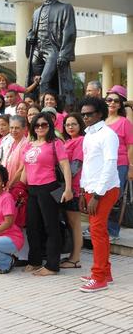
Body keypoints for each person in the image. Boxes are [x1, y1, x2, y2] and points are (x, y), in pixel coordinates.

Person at [21, 112, 73, 276]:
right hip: (33, 189)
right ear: (33, 127)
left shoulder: (55, 143)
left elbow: (65, 166)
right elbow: (24, 170)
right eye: (37, 125)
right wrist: (12, 185)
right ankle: (35, 260)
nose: (41, 127)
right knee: (32, 227)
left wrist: (68, 189)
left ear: (50, 127)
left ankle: (52, 265)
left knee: (51, 227)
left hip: (49, 188)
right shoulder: (29, 145)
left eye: (44, 125)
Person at [78, 96, 120, 292]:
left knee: (97, 232)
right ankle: (106, 272)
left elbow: (111, 165)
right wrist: (82, 191)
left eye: (89, 114)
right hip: (91, 189)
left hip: (105, 190)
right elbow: (88, 166)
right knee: (99, 232)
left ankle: (99, 277)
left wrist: (97, 195)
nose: (85, 117)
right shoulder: (89, 135)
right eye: (83, 114)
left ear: (100, 114)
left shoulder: (108, 135)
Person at [26, 0, 76, 108]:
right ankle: (37, 105)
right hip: (38, 49)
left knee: (44, 81)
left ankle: (47, 108)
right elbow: (32, 31)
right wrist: (29, 37)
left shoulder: (65, 8)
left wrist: (63, 54)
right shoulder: (37, 12)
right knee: (35, 81)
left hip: (52, 49)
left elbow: (69, 32)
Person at [104, 85, 133, 240]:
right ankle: (102, 226)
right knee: (102, 196)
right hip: (103, 166)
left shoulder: (124, 122)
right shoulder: (102, 121)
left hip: (120, 164)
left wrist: (131, 168)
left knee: (116, 197)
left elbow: (130, 146)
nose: (112, 103)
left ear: (121, 104)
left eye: (116, 100)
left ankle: (113, 230)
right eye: (109, 99)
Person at [60, 113, 85, 269]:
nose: (70, 127)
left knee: (75, 223)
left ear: (80, 125)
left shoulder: (81, 141)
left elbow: (76, 166)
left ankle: (75, 258)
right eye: (67, 124)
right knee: (69, 221)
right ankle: (71, 255)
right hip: (64, 187)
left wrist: (61, 178)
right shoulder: (67, 141)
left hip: (73, 188)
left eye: (73, 124)